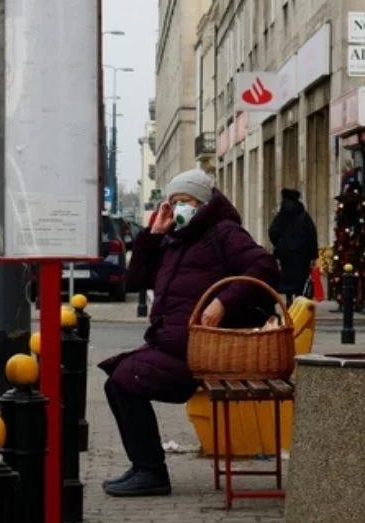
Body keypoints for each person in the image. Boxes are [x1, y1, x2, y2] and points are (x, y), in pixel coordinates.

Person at [99, 169, 278, 497]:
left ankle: (151, 472)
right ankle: (146, 468)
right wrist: (153, 235)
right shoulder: (175, 239)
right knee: (118, 381)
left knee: (122, 382)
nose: (180, 208)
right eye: (175, 201)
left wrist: (224, 301)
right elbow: (136, 280)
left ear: (203, 202)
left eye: (187, 201)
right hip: (174, 345)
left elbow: (265, 267)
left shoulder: (224, 233)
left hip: (201, 352)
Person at [268, 187, 319, 305]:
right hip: (302, 254)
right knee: (300, 279)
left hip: (285, 253)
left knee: (287, 278)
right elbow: (311, 235)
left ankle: (289, 299)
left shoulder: (281, 216)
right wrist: (313, 255)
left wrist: (279, 244)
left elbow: (272, 231)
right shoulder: (303, 215)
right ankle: (299, 299)